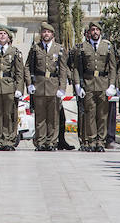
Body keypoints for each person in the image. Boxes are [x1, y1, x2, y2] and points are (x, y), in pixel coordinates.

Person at [74, 21, 117, 152]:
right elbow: (76, 68)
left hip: (103, 85)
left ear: (100, 32)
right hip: (88, 84)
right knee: (90, 114)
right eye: (93, 30)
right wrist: (77, 85)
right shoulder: (82, 47)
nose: (95, 32)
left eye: (97, 30)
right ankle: (91, 140)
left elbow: (112, 67)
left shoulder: (107, 47)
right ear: (89, 32)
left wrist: (112, 85)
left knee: (103, 115)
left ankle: (101, 141)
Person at [26, 22, 69, 151]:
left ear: (52, 34)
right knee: (40, 117)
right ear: (41, 34)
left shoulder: (59, 49)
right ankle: (40, 142)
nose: (46, 34)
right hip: (39, 86)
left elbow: (63, 70)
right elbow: (27, 67)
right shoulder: (35, 48)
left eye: (48, 32)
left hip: (53, 86)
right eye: (44, 32)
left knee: (53, 117)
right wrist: (29, 84)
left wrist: (62, 88)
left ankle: (51, 142)